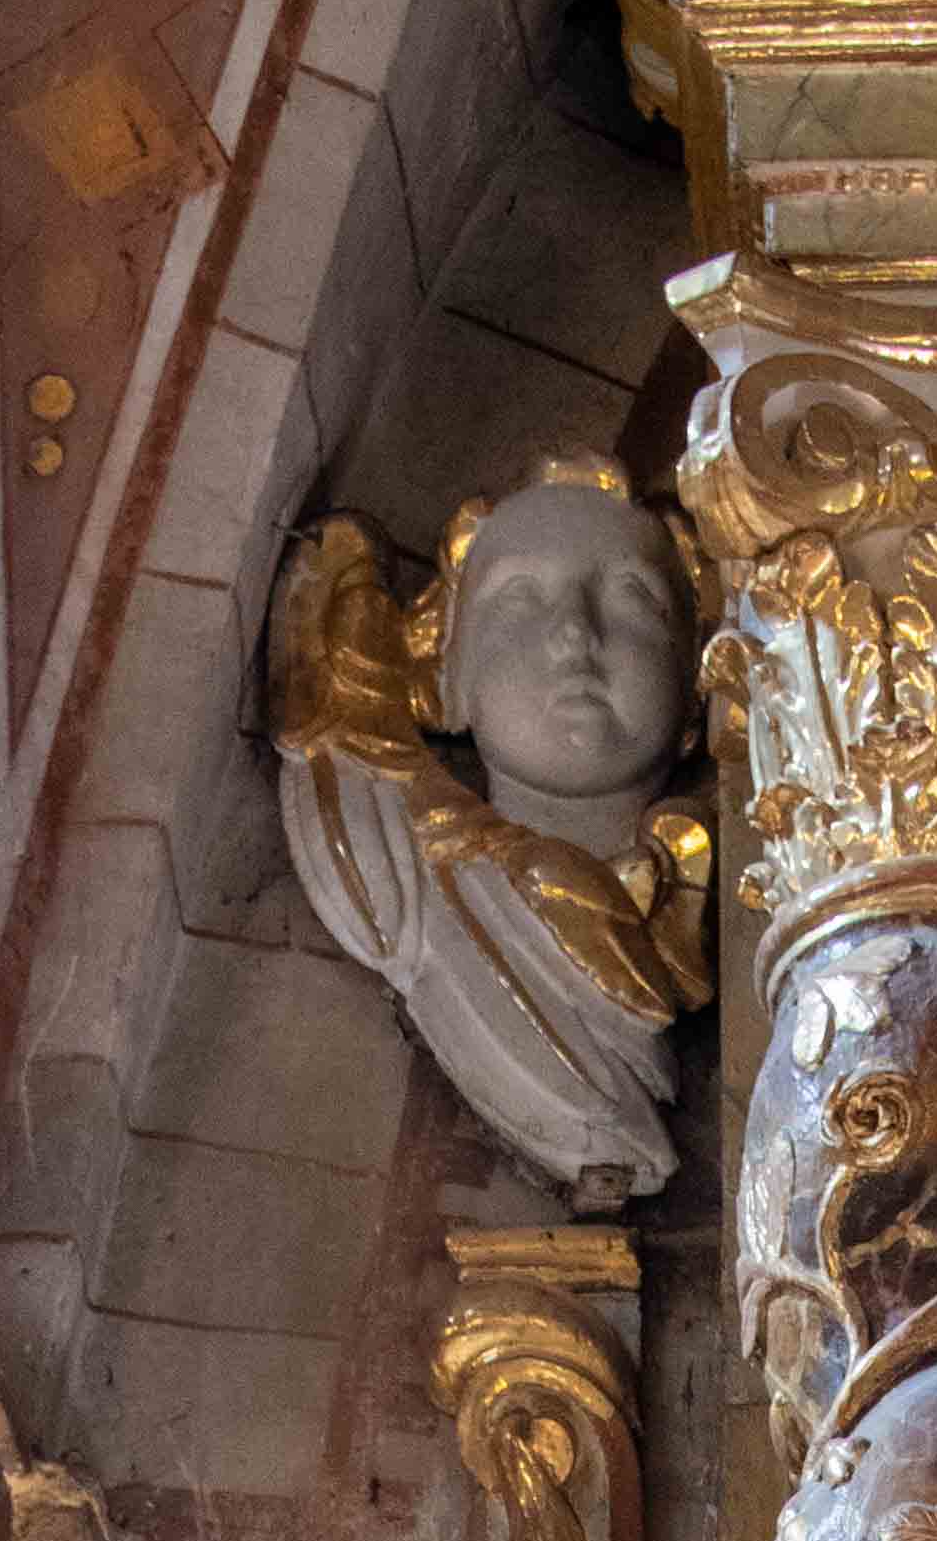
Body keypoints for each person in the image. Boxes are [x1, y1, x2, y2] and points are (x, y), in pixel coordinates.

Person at [273, 460, 707, 1204]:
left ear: (700, 685)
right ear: (446, 677)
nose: (575, 633)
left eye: (632, 595)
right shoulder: (400, 868)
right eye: (520, 598)